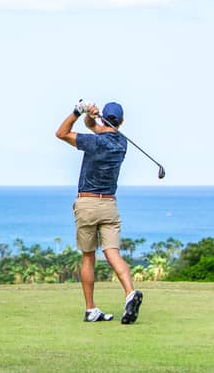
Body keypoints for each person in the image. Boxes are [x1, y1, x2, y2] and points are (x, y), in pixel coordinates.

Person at [55, 100, 142, 324]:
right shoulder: (122, 143)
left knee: (88, 257)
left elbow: (61, 133)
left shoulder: (93, 143)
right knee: (112, 253)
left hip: (87, 203)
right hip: (109, 205)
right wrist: (91, 117)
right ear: (121, 122)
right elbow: (95, 128)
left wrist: (77, 111)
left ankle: (90, 309)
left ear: (104, 118)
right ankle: (130, 293)